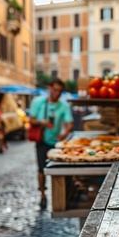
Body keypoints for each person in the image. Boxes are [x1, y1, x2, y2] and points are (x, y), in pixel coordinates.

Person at [29, 78, 74, 208]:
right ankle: (42, 194)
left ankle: (63, 195)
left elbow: (70, 122)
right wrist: (40, 122)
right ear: (49, 89)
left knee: (61, 168)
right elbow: (31, 120)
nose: (57, 93)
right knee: (41, 169)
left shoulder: (63, 106)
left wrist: (65, 134)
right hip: (42, 140)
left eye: (60, 91)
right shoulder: (38, 102)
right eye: (55, 90)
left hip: (57, 142)